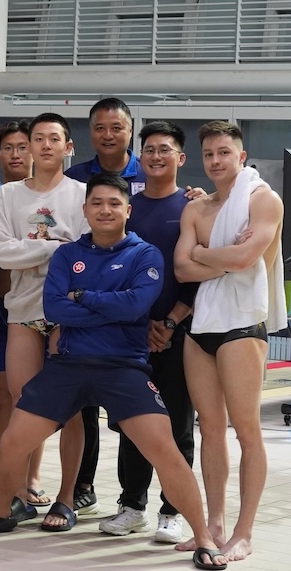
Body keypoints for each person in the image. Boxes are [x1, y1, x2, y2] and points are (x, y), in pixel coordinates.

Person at [0, 174, 229, 571]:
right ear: (85, 211)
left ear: (128, 211)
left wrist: (84, 297)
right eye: (97, 203)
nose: (105, 210)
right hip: (68, 364)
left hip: (124, 368)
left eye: (114, 204)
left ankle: (204, 537)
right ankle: (3, 509)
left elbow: (135, 306)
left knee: (166, 452)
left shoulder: (145, 254)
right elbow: (55, 308)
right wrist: (106, 306)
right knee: (14, 441)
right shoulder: (67, 254)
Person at [174, 121, 285, 562]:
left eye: (225, 152)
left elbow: (245, 257)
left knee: (246, 429)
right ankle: (214, 523)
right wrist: (213, 258)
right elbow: (182, 269)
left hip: (242, 324)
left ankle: (244, 532)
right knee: (211, 430)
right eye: (209, 154)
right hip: (201, 327)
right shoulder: (196, 211)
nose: (216, 161)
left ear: (241, 156)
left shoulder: (263, 200)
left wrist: (204, 254)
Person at [99, 121, 198, 544]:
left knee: (177, 422)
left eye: (165, 149)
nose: (157, 157)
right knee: (131, 422)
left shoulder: (194, 207)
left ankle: (172, 511)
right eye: (150, 150)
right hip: (131, 332)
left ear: (181, 157)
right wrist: (141, 326)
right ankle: (131, 504)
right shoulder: (129, 207)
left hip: (180, 333)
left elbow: (197, 273)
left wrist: (171, 322)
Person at [0, 112, 87, 530]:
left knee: (73, 409)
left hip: (69, 314)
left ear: (68, 147)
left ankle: (65, 499)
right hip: (23, 311)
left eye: (54, 139)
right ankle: (13, 497)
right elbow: (0, 254)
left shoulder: (83, 193)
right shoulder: (7, 196)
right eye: (38, 139)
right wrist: (53, 248)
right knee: (22, 402)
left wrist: (33, 246)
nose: (45, 146)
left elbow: (85, 253)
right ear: (27, 146)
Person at [64, 97, 148, 514]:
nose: (108, 135)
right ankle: (82, 485)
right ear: (90, 133)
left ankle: (132, 499)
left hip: (138, 311)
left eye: (117, 127)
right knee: (83, 405)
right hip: (84, 310)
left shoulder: (150, 173)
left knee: (134, 413)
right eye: (100, 128)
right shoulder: (76, 179)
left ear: (130, 130)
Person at [0, 120, 49, 509]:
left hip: (39, 309)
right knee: (4, 396)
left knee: (33, 396)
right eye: (9, 148)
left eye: (24, 146)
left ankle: (32, 476)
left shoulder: (50, 195)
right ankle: (2, 477)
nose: (17, 154)